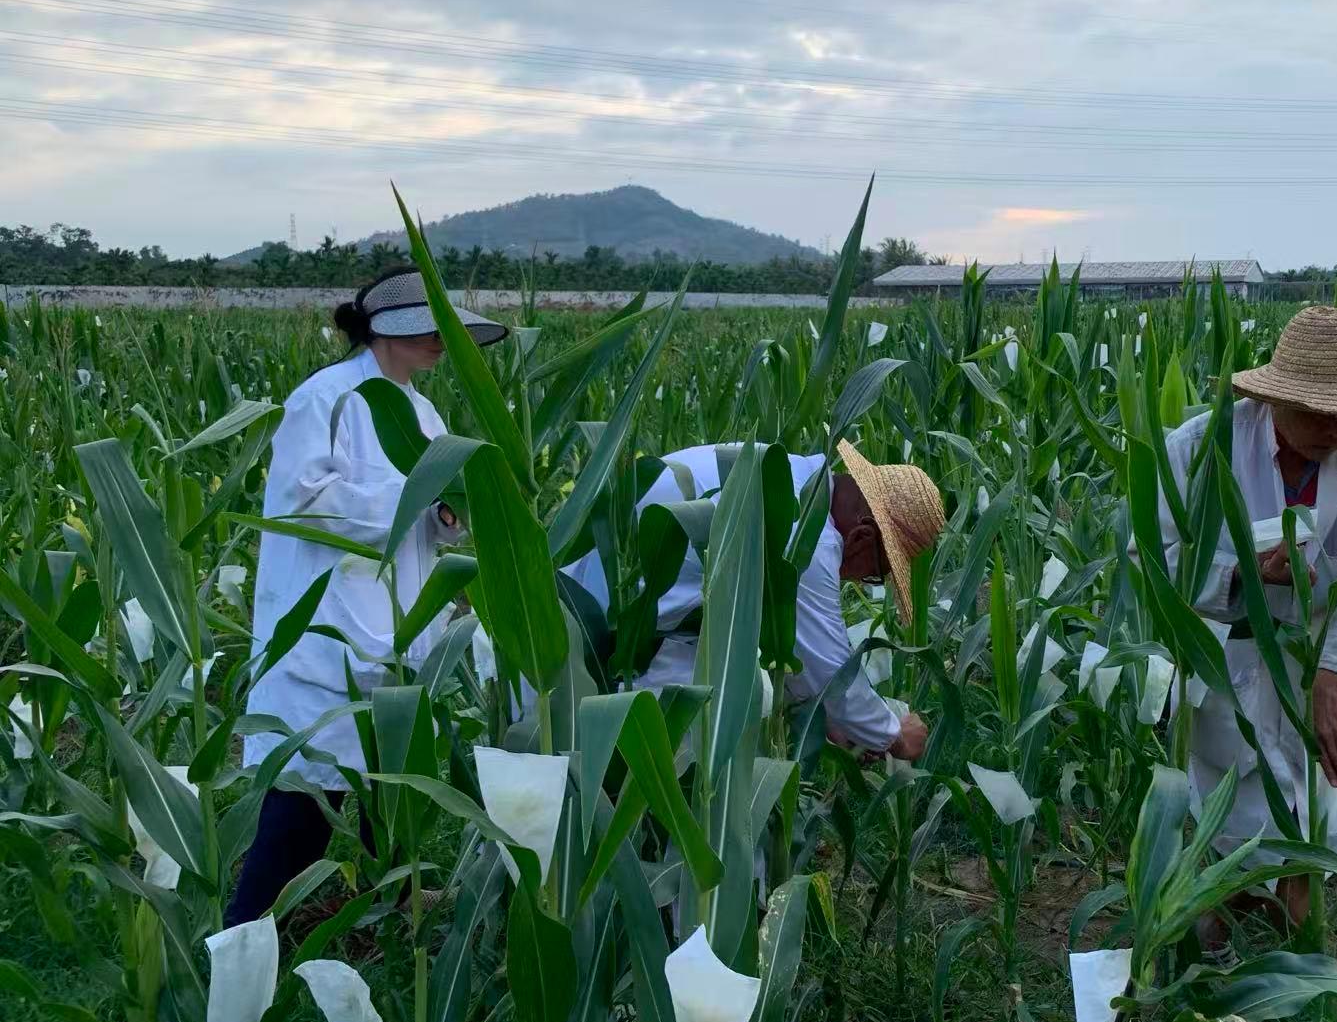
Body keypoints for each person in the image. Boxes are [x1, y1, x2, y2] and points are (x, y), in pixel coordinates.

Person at [226, 268, 508, 926]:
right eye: (427, 329)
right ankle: (247, 932)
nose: (440, 342)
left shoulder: (422, 411)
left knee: (395, 779)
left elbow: (432, 518)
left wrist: (448, 514)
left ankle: (395, 895)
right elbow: (307, 503)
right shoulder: (325, 398)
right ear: (382, 329)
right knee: (306, 800)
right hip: (327, 630)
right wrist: (415, 498)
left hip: (398, 625)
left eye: (446, 331)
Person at [1157, 305, 1337, 935]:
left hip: (1332, 647)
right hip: (1230, 656)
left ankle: (1297, 960)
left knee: (1316, 817)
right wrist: (1243, 574)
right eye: (1319, 411)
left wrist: (1335, 675)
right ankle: (1216, 950)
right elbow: (1154, 560)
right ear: (1275, 398)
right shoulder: (1200, 447)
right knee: (1228, 822)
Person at [564, 439, 943, 761]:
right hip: (593, 642)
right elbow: (831, 677)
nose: (859, 579)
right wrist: (894, 735)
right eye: (875, 572)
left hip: (582, 592)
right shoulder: (808, 538)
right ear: (862, 537)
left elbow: (799, 654)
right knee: (743, 698)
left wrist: (835, 719)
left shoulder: (793, 475)